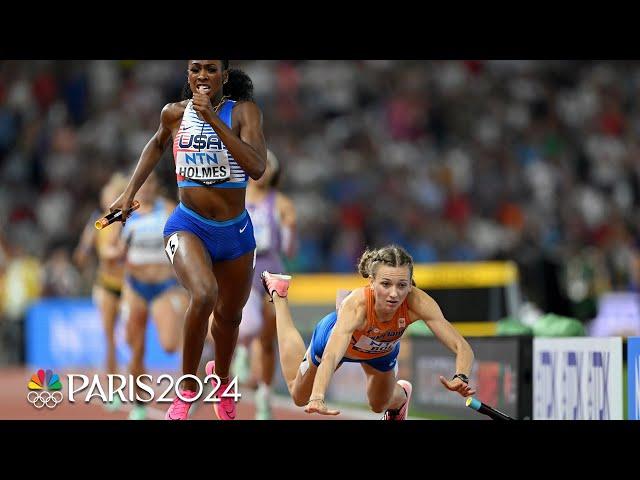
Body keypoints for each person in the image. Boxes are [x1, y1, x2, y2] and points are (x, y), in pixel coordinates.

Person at [110, 60, 266, 420]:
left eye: (211, 69)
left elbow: (257, 168)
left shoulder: (244, 112)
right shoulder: (173, 114)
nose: (202, 76)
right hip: (188, 225)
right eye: (196, 69)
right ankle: (188, 387)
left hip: (235, 232)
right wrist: (128, 193)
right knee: (204, 293)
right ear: (188, 75)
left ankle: (222, 380)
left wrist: (213, 119)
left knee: (229, 317)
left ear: (224, 76)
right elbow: (155, 145)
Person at [261, 244, 476, 419]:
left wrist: (462, 376)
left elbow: (461, 345)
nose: (394, 294)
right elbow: (331, 356)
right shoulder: (357, 305)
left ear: (410, 285)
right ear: (372, 283)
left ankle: (401, 397)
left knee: (378, 405)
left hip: (381, 351)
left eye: (402, 285)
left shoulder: (418, 303)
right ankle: (279, 296)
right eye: (385, 284)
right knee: (299, 396)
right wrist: (317, 396)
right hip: (336, 342)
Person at [115, 172, 188, 420]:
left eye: (151, 184)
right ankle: (139, 403)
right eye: (141, 185)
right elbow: (109, 245)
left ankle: (185, 392)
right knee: (136, 347)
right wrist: (114, 251)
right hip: (135, 286)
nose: (145, 189)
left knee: (169, 345)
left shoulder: (168, 209)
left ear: (157, 186)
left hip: (164, 286)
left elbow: (185, 240)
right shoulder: (124, 213)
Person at [231, 148, 297, 419]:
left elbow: (291, 251)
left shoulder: (281, 203)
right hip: (243, 267)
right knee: (247, 324)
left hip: (271, 269)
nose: (263, 171)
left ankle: (265, 395)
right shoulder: (235, 198)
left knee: (269, 338)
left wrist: (290, 228)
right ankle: (243, 349)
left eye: (269, 166)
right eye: (259, 165)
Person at [73, 173, 128, 412]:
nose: (107, 198)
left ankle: (136, 383)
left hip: (129, 286)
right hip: (106, 285)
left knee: (131, 337)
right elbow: (82, 252)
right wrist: (84, 255)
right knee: (110, 340)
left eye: (112, 194)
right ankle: (114, 389)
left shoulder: (127, 218)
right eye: (106, 194)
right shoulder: (97, 221)